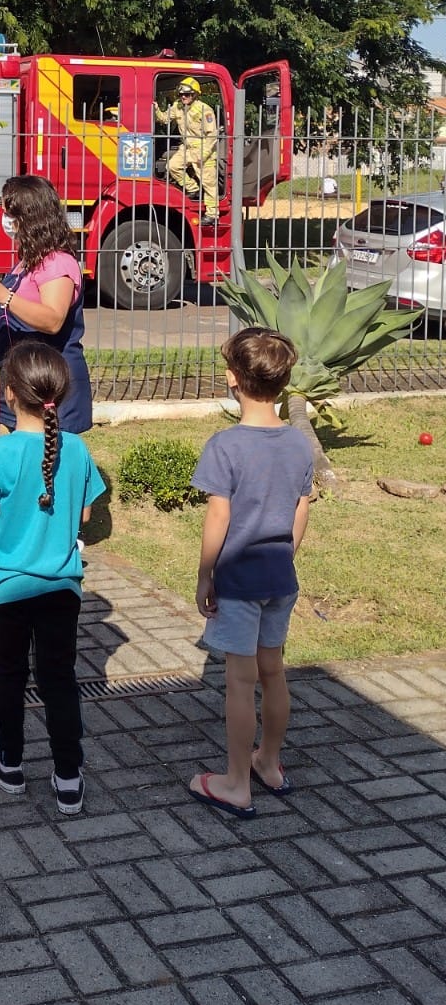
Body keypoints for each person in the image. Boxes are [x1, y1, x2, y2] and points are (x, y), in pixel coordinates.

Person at [0, 341, 105, 811]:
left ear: (8, 394)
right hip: (62, 586)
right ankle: (68, 777)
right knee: (59, 678)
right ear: (61, 394)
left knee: (8, 674)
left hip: (8, 587)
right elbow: (84, 515)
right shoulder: (80, 449)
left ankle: (10, 763)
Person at [188, 328, 313, 820]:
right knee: (273, 672)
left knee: (239, 683)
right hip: (280, 577)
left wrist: (205, 575)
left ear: (232, 379)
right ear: (283, 382)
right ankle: (271, 763)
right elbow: (300, 512)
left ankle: (236, 782)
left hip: (238, 580)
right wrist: (286, 553)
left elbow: (218, 517)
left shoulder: (226, 446)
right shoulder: (299, 445)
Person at [0, 175, 93, 436]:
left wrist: (4, 296)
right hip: (19, 378)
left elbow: (53, 319)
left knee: (43, 467)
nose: (4, 219)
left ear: (28, 215)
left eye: (7, 212)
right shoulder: (27, 260)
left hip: (48, 382)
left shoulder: (57, 263)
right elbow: (17, 319)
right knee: (10, 459)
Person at [155, 75, 220, 224]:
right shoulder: (177, 106)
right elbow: (164, 119)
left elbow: (212, 135)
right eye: (181, 94)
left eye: (187, 94)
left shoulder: (204, 110)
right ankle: (192, 188)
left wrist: (203, 154)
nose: (183, 97)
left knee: (209, 183)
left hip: (204, 150)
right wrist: (157, 109)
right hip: (187, 148)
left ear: (195, 95)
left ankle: (212, 215)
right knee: (172, 166)